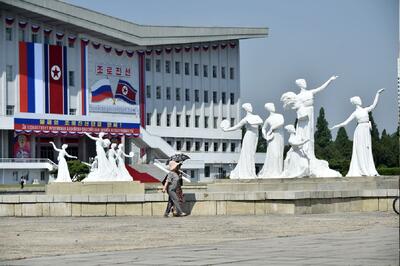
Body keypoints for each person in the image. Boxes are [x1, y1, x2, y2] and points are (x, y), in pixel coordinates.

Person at [330, 89, 384, 176]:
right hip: (360, 131)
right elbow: (345, 123)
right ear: (356, 102)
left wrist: (377, 94)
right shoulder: (355, 113)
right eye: (359, 100)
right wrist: (336, 126)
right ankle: (362, 169)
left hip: (366, 130)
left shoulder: (365, 110)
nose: (361, 101)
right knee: (360, 149)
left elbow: (374, 105)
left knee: (367, 149)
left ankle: (369, 169)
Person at [221, 103, 263, 179]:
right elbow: (236, 127)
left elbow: (261, 121)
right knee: (247, 154)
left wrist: (251, 121)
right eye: (249, 107)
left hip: (255, 136)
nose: (251, 108)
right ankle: (247, 172)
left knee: (252, 154)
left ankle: (251, 172)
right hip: (249, 136)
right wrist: (226, 129)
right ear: (246, 109)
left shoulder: (255, 117)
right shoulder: (245, 119)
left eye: (251, 106)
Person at [258, 103, 285, 178]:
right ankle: (273, 171)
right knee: (274, 154)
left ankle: (278, 171)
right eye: (272, 106)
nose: (274, 107)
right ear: (268, 108)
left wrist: (271, 128)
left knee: (279, 154)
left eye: (274, 106)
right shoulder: (268, 119)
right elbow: (263, 128)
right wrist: (265, 135)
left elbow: (282, 122)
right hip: (272, 138)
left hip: (279, 136)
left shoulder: (280, 115)